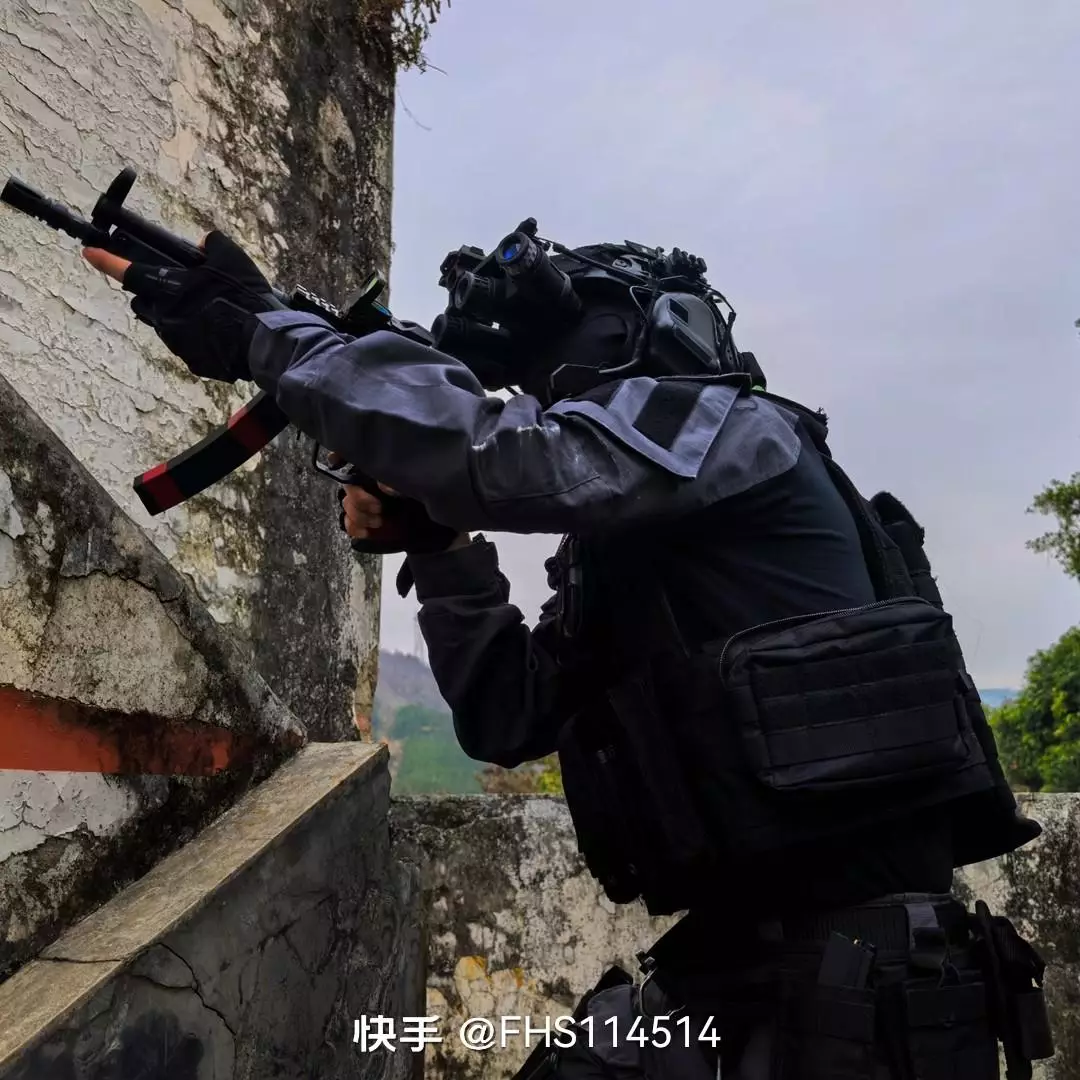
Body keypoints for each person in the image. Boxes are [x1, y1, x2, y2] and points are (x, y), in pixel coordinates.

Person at [83, 227, 1053, 1079]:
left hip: (859, 977)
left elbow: (499, 456)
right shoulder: (639, 555)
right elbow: (510, 712)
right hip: (750, 965)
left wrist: (270, 334)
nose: (547, 392)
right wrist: (442, 550)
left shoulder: (733, 429)